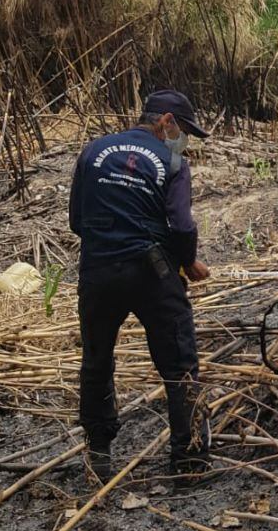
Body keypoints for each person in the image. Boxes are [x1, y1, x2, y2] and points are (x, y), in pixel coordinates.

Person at [69, 90, 212, 477]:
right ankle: (191, 460)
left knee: (97, 358)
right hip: (153, 272)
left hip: (97, 272)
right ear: (166, 122)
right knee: (180, 362)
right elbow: (182, 224)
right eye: (184, 130)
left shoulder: (93, 150)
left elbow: (77, 222)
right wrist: (188, 262)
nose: (185, 140)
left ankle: (97, 454)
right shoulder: (173, 161)